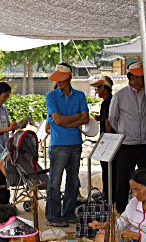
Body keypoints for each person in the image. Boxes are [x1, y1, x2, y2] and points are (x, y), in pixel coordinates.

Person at [44, 63, 89, 227]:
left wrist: (66, 122)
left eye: (61, 79)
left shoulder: (80, 95)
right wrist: (75, 117)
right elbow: (57, 120)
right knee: (55, 183)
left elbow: (85, 119)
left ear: (69, 77)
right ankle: (53, 216)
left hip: (75, 144)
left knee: (72, 182)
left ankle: (69, 214)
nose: (59, 82)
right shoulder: (51, 96)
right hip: (59, 145)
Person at [108, 61, 146, 213]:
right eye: (141, 76)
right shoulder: (120, 95)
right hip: (126, 144)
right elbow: (113, 118)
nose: (144, 79)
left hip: (145, 143)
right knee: (123, 180)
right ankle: (121, 210)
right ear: (132, 77)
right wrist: (124, 132)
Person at [90, 76, 117, 198]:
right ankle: (108, 193)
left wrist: (107, 140)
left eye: (97, 88)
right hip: (110, 140)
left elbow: (108, 122)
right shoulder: (110, 101)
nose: (96, 91)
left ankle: (108, 195)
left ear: (103, 88)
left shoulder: (107, 102)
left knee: (108, 170)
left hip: (108, 141)